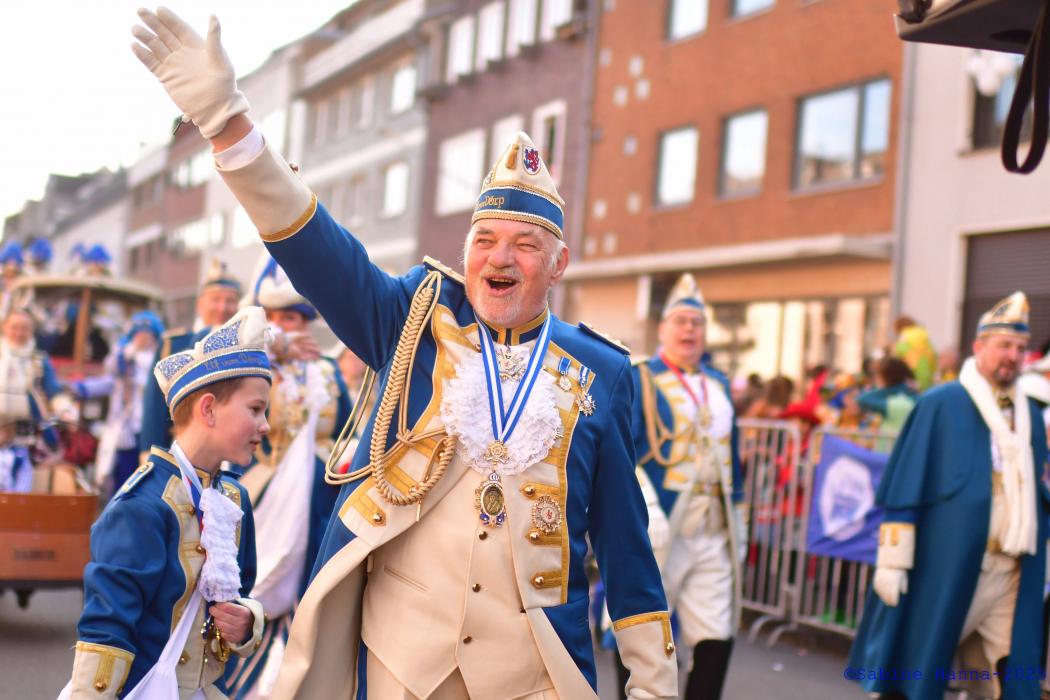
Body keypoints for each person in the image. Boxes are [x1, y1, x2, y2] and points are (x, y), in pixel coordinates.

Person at [130, 8, 678, 698]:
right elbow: (316, 248)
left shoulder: (603, 373)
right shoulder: (415, 319)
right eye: (485, 241)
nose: (499, 259)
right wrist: (227, 122)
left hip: (533, 673)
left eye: (524, 245)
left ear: (558, 264)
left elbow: (627, 552)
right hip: (401, 664)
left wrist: (653, 686)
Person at [848, 292, 1050, 700]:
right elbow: (908, 484)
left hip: (1011, 568)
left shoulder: (1028, 413)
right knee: (917, 670)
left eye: (1019, 348)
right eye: (1004, 346)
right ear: (978, 347)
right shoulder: (941, 404)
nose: (1012, 356)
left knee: (1007, 679)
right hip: (949, 567)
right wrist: (893, 560)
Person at [63, 307, 271, 699]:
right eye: (255, 409)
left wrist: (246, 623)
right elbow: (106, 634)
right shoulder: (141, 506)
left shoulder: (233, 499)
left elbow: (242, 591)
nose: (265, 425)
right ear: (208, 409)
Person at [226, 255, 351, 699]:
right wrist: (275, 346)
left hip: (318, 500)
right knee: (248, 581)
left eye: (293, 318)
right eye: (275, 318)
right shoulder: (252, 366)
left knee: (312, 591)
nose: (285, 325)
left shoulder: (326, 371)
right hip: (262, 493)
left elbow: (346, 430)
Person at [630, 274, 745, 700]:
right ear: (663, 329)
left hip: (713, 529)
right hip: (662, 526)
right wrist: (645, 509)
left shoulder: (719, 384)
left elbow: (733, 456)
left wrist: (739, 519)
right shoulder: (641, 377)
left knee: (716, 632)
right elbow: (623, 451)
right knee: (643, 628)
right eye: (680, 321)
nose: (689, 330)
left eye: (696, 323)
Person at [138, 259, 241, 459]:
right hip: (182, 454)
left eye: (230, 301)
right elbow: (154, 409)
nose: (222, 307)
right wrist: (150, 455)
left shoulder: (244, 349)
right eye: (215, 299)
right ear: (200, 305)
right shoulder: (174, 346)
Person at [94, 310, 165, 494]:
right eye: (139, 333)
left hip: (151, 425)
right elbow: (110, 370)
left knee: (148, 475)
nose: (143, 338)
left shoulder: (161, 357)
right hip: (126, 427)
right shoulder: (124, 355)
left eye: (147, 334)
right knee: (123, 476)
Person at [0, 308, 72, 451]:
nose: (19, 333)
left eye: (24, 328)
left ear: (31, 330)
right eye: (14, 327)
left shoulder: (39, 360)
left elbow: (53, 391)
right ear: (4, 327)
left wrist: (65, 410)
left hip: (27, 431)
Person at [856, 357, 918, 435]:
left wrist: (892, 388)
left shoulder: (895, 403)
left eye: (878, 376)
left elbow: (862, 399)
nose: (875, 380)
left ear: (887, 378)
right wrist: (901, 387)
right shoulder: (911, 397)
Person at [892, 315, 938, 392]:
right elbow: (934, 353)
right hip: (927, 369)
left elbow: (899, 351)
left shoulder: (906, 334)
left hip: (914, 368)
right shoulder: (923, 333)